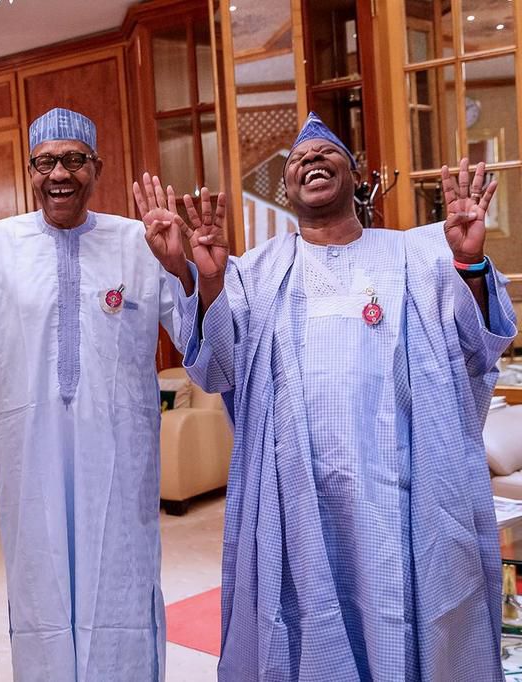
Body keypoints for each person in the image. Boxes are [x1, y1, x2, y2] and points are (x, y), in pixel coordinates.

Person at [135, 112, 517, 680]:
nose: (309, 161)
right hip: (296, 501)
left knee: (409, 617)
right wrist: (203, 279)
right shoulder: (255, 272)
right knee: (305, 625)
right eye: (297, 160)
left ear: (355, 175)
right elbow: (216, 370)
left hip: (405, 496)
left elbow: (477, 347)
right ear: (288, 190)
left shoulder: (416, 255)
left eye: (325, 153)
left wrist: (467, 263)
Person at [0, 107, 181, 680]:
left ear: (97, 167)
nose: (59, 172)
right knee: (39, 586)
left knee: (121, 581)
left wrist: (181, 267)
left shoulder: (140, 242)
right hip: (29, 454)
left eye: (73, 160)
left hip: (119, 454)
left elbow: (197, 338)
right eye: (46, 161)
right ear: (31, 169)